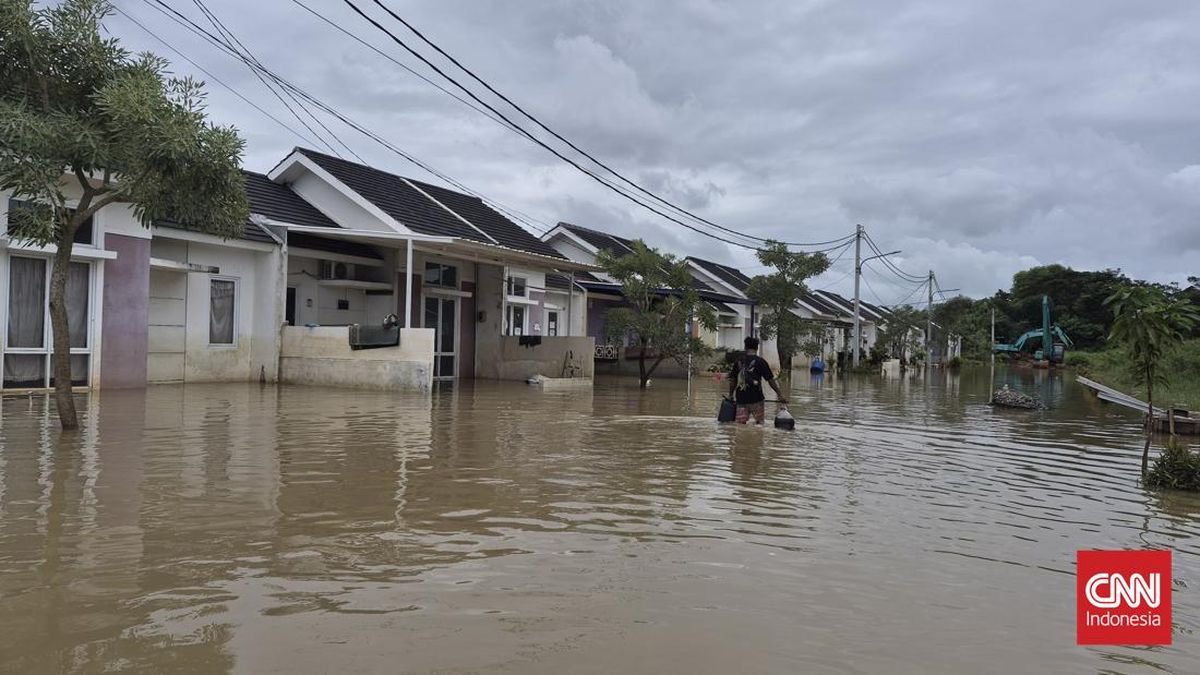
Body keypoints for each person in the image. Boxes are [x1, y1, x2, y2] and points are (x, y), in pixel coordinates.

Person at [728, 337, 787, 425]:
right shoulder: (761, 362)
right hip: (757, 399)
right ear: (757, 348)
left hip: (741, 399)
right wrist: (780, 395)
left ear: (745, 347)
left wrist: (730, 395)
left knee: (740, 426)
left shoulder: (738, 361)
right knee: (759, 425)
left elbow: (733, 380)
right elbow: (770, 380)